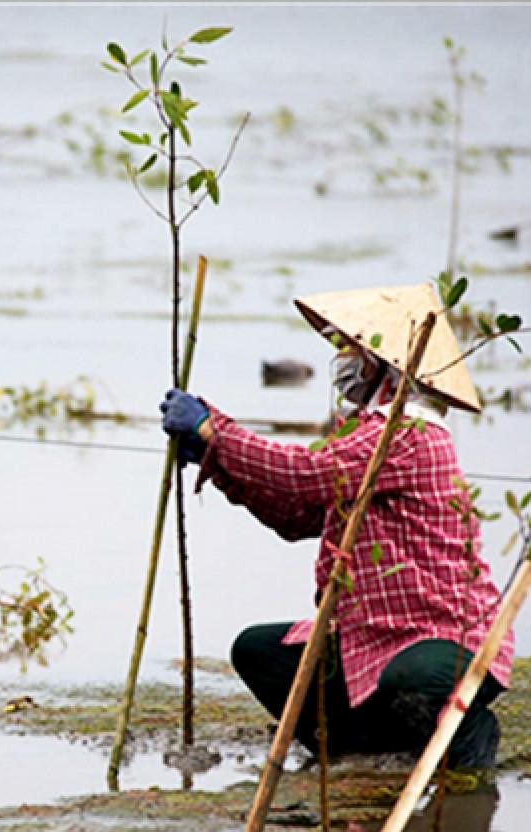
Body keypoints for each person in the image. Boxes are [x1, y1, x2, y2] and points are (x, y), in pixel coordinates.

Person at [159, 283, 512, 769]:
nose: (341, 360)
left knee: (412, 677)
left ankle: (469, 735)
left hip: (445, 634)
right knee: (257, 650)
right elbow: (296, 514)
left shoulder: (410, 434)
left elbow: (302, 474)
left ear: (380, 361)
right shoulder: (367, 433)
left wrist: (214, 429)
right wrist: (218, 462)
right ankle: (364, 748)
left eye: (350, 349)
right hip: (373, 635)